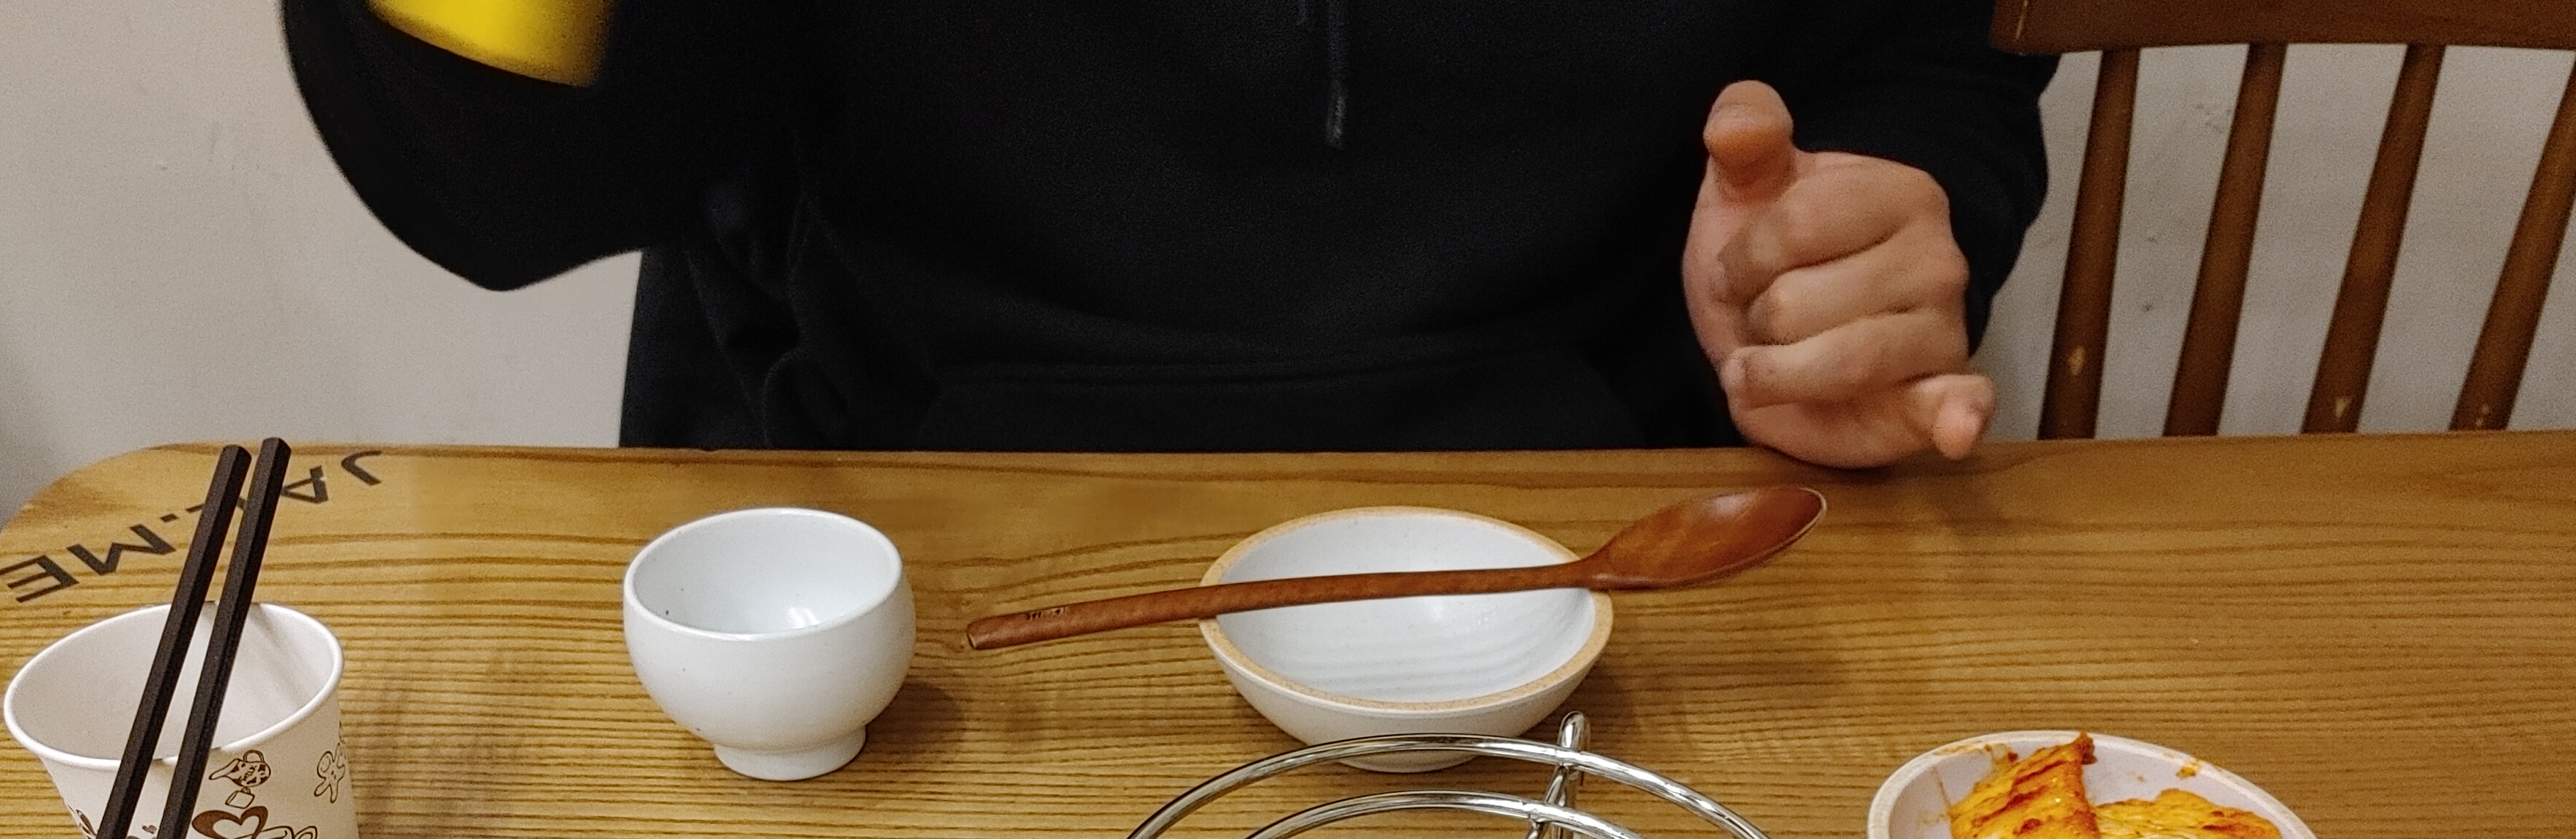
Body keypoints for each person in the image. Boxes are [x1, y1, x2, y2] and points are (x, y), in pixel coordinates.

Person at [284, 2, 2050, 463]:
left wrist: (1877, 212)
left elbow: (1927, 49)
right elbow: (503, 198)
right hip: (902, 519)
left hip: (1624, 528)